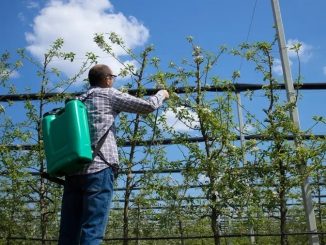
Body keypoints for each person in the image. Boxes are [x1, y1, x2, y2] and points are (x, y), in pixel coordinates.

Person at [58, 64, 169, 245]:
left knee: (68, 233)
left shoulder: (76, 101)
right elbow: (147, 106)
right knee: (92, 231)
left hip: (73, 170)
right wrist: (162, 94)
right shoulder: (108, 94)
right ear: (107, 79)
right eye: (113, 77)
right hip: (99, 168)